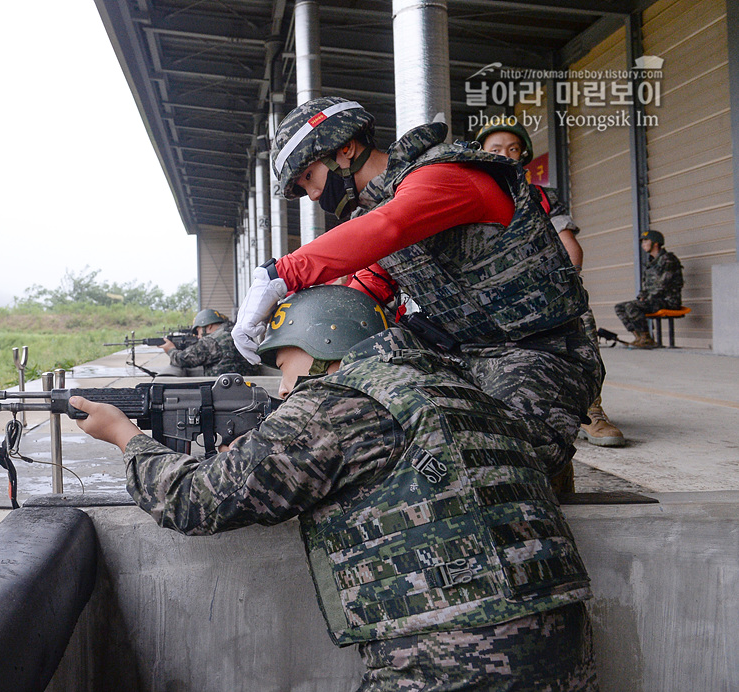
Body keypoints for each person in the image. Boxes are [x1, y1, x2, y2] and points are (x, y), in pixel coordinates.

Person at [72, 285, 598, 691]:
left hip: (456, 652)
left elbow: (196, 499)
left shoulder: (337, 402)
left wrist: (127, 437)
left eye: (284, 364)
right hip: (562, 638)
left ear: (324, 345)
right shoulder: (454, 385)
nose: (281, 386)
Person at [233, 96, 605, 495]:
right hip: (464, 355)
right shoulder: (383, 211)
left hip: (540, 351)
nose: (311, 195)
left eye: (309, 177)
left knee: (488, 463)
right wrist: (296, 345)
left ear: (345, 150)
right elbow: (363, 293)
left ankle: (553, 481)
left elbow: (390, 227)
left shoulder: (443, 176)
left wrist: (280, 275)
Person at [476, 118, 625, 448]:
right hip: (492, 296)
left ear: (523, 154)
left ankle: (591, 410)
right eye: (496, 149)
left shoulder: (542, 198)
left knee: (579, 321)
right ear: (482, 155)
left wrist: (564, 289)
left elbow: (570, 245)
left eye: (513, 149)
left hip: (543, 291)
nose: (505, 155)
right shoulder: (472, 197)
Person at [614, 229, 684, 349]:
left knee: (632, 306)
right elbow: (646, 286)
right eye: (642, 242)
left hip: (668, 301)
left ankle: (647, 339)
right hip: (655, 301)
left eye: (646, 241)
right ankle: (639, 337)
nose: (643, 244)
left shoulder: (668, 259)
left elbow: (664, 284)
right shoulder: (651, 263)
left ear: (656, 243)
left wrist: (646, 299)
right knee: (620, 307)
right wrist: (642, 297)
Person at [160, 308, 261, 376]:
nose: (198, 336)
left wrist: (170, 349)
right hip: (248, 384)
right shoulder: (237, 332)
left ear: (209, 326)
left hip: (225, 391)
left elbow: (181, 359)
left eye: (198, 331)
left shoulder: (211, 341)